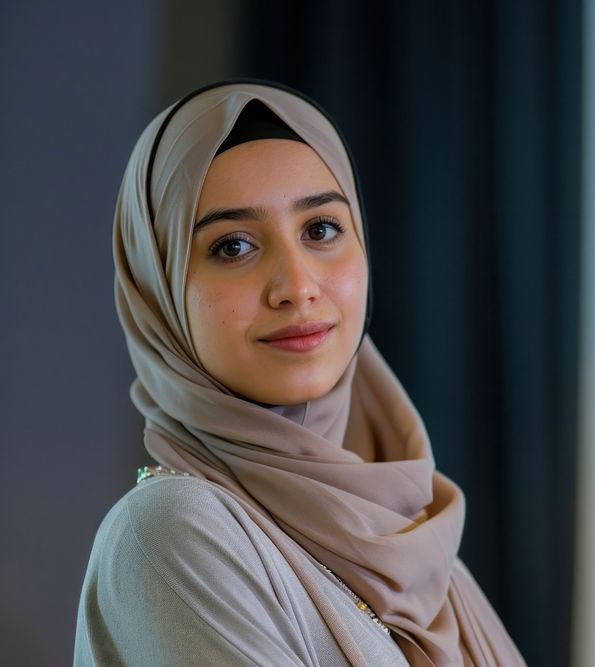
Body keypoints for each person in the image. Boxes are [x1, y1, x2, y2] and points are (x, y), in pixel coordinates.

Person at [74, 80, 524, 666]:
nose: (297, 287)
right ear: (158, 290)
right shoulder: (174, 531)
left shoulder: (407, 537)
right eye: (232, 246)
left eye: (321, 230)